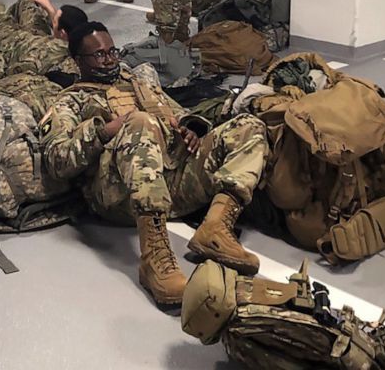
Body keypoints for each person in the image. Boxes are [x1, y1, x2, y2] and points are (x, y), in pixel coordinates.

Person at [41, 22, 268, 306]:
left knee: (248, 125)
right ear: (78, 61)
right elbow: (56, 161)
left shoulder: (137, 83)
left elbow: (181, 112)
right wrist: (104, 131)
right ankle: (154, 258)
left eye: (112, 51)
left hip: (173, 178)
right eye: (99, 55)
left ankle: (216, 228)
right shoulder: (70, 101)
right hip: (120, 196)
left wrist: (191, 128)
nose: (110, 59)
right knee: (139, 121)